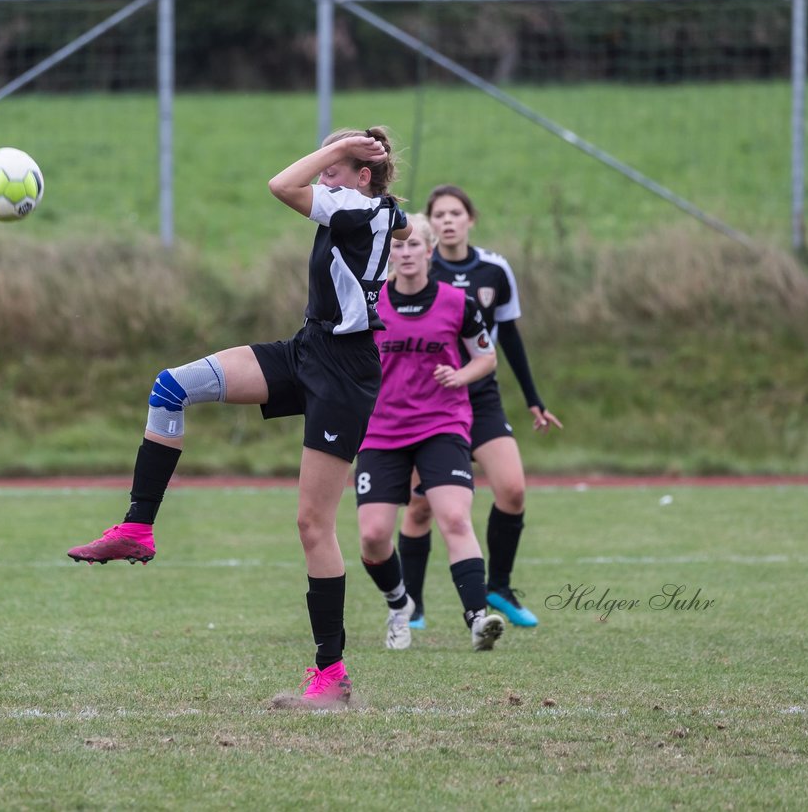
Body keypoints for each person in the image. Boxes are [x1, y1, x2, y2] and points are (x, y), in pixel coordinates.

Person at [66, 127, 410, 709]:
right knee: (171, 387)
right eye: (325, 166)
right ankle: (136, 528)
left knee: (312, 526)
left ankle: (332, 677)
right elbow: (396, 222)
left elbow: (281, 184)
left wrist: (338, 155)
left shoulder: (357, 208)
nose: (323, 176)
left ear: (361, 177)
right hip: (309, 350)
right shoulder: (371, 210)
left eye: (335, 167)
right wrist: (353, 158)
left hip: (346, 375)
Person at [398, 185, 562, 631]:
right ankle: (412, 604)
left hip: (482, 398)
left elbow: (508, 337)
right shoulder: (415, 267)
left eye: (457, 213)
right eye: (440, 214)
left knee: (512, 490)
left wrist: (533, 399)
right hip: (430, 404)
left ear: (471, 219)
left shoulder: (494, 269)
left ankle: (499, 588)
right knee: (420, 508)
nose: (449, 220)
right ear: (429, 226)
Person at [355, 213, 506, 652]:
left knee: (455, 517)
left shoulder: (458, 303)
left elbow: (485, 357)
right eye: (397, 246)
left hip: (442, 423)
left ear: (429, 250)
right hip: (381, 430)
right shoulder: (369, 302)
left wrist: (462, 376)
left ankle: (478, 620)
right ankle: (399, 603)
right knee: (373, 536)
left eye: (413, 245)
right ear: (388, 253)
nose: (404, 252)